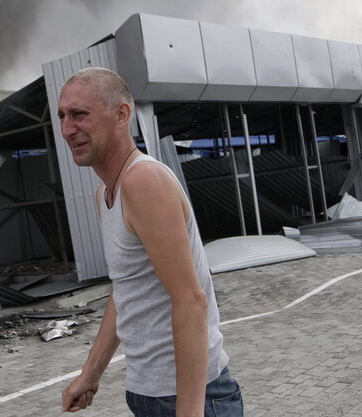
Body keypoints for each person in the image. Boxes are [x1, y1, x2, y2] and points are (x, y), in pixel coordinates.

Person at [58, 67, 243, 417]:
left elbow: (191, 301)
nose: (68, 129)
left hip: (189, 399)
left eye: (79, 114)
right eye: (63, 116)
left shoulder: (143, 180)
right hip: (147, 394)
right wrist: (90, 374)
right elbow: (127, 289)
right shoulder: (106, 194)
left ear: (121, 115)